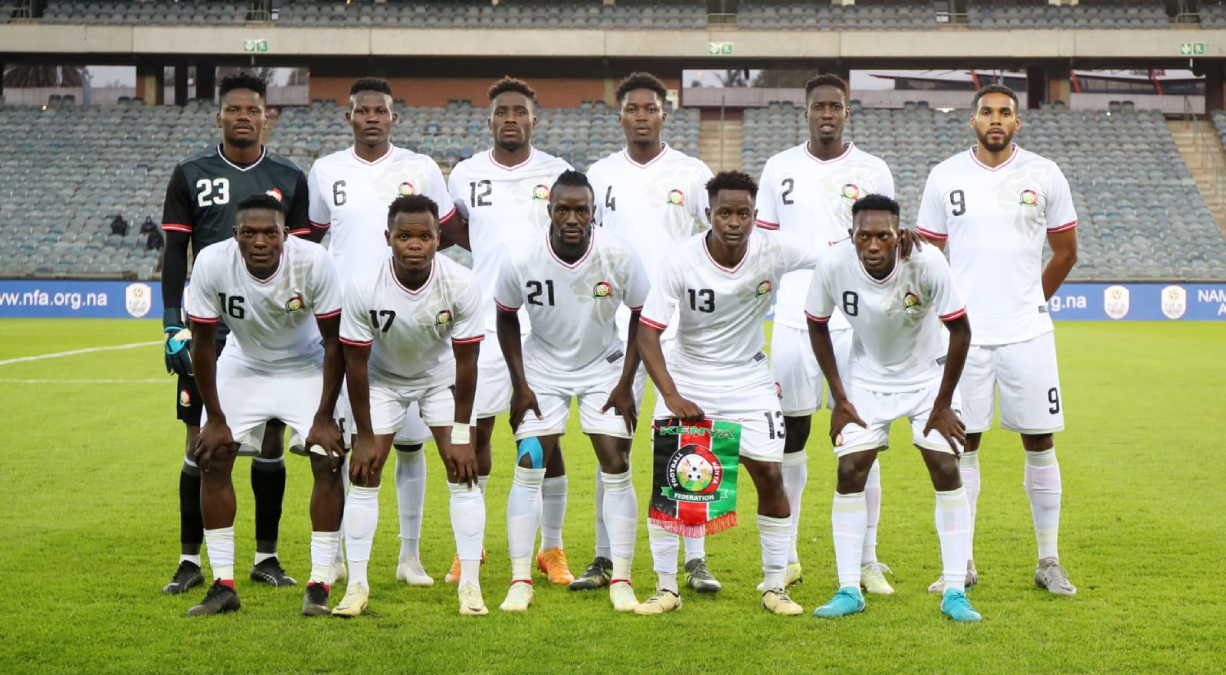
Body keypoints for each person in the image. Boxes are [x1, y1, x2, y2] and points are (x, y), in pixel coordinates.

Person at [916, 84, 1078, 595]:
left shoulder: (1044, 173)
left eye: (1005, 112)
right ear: (972, 120)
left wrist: (1032, 299)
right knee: (965, 442)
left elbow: (1066, 251)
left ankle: (1048, 560)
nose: (995, 119)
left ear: (1017, 122)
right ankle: (961, 562)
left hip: (1027, 332)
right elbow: (928, 255)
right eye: (987, 111)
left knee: (1040, 440)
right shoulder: (945, 176)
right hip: (965, 336)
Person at [635, 170, 820, 616]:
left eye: (743, 213)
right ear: (707, 214)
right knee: (672, 484)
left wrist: (897, 242)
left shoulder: (775, 249)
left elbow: (839, 252)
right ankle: (666, 589)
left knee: (770, 476)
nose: (734, 221)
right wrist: (672, 394)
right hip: (690, 375)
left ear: (756, 215)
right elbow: (647, 333)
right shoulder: (682, 259)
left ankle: (775, 586)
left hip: (749, 381)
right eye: (724, 212)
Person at [159, 72, 314, 595]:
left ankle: (265, 557)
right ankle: (189, 559)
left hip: (271, 331)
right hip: (209, 328)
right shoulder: (190, 173)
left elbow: (305, 257)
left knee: (270, 438)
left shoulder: (290, 177)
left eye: (254, 109)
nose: (244, 116)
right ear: (219, 117)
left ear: (267, 116)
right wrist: (171, 322)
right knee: (201, 440)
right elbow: (176, 252)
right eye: (235, 109)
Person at [308, 76, 456, 588]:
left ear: (394, 117)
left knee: (411, 448)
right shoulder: (325, 171)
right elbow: (312, 240)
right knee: (351, 447)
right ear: (348, 117)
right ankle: (345, 555)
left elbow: (449, 233)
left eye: (381, 110)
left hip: (413, 329)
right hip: (351, 328)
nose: (371, 116)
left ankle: (409, 556)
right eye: (362, 109)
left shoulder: (420, 169)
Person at [805, 194, 980, 622]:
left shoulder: (927, 262)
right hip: (866, 377)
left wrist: (941, 404)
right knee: (850, 469)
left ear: (898, 235)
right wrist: (840, 397)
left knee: (944, 466)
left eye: (883, 236)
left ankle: (954, 591)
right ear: (851, 236)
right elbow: (816, 323)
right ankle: (849, 588)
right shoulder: (833, 264)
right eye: (863, 236)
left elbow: (961, 331)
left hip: (927, 377)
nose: (873, 245)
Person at [754, 74, 896, 594]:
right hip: (793, 318)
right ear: (806, 111)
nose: (827, 114)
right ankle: (788, 554)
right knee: (791, 435)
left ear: (847, 112)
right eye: (819, 106)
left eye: (836, 106)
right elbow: (764, 250)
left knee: (863, 439)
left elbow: (885, 244)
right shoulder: (779, 168)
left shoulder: (873, 169)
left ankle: (866, 559)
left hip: (857, 324)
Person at [584, 71, 719, 594]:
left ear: (666, 113)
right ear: (619, 115)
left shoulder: (691, 171)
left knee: (687, 445)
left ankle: (696, 558)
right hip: (614, 329)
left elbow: (711, 245)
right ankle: (603, 556)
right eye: (632, 108)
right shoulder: (598, 175)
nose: (641, 116)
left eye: (651, 108)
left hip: (678, 331)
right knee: (610, 444)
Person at [182, 194, 346, 617]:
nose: (259, 241)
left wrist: (324, 416)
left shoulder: (313, 261)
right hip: (244, 361)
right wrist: (215, 418)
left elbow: (335, 344)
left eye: (270, 232)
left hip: (306, 362)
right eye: (249, 232)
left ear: (285, 234)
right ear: (234, 235)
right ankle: (223, 584)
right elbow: (202, 344)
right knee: (213, 455)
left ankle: (320, 583)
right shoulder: (212, 262)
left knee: (327, 457)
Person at [493, 170, 648, 613]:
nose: (573, 217)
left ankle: (621, 577)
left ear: (594, 211)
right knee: (530, 461)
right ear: (550, 211)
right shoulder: (522, 257)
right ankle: (521, 578)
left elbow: (642, 315)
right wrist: (520, 385)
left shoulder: (618, 255)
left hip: (604, 367)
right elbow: (506, 316)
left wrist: (624, 384)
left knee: (615, 462)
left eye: (582, 209)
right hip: (542, 366)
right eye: (564, 209)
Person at [443, 77, 575, 586]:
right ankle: (468, 551)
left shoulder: (558, 172)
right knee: (474, 435)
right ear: (491, 119)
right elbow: (459, 233)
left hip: (543, 323)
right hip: (483, 318)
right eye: (502, 111)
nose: (511, 118)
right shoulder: (466, 174)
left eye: (520, 111)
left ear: (534, 120)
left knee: (546, 438)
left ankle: (552, 548)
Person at [336, 194, 487, 617]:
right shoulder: (364, 285)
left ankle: (471, 587)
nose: (414, 244)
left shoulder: (461, 282)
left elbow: (467, 362)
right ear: (388, 238)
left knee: (463, 472)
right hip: (382, 381)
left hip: (440, 379)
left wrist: (461, 434)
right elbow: (355, 365)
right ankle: (358, 585)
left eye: (424, 236)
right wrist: (364, 436)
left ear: (440, 239)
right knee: (364, 473)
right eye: (404, 236)